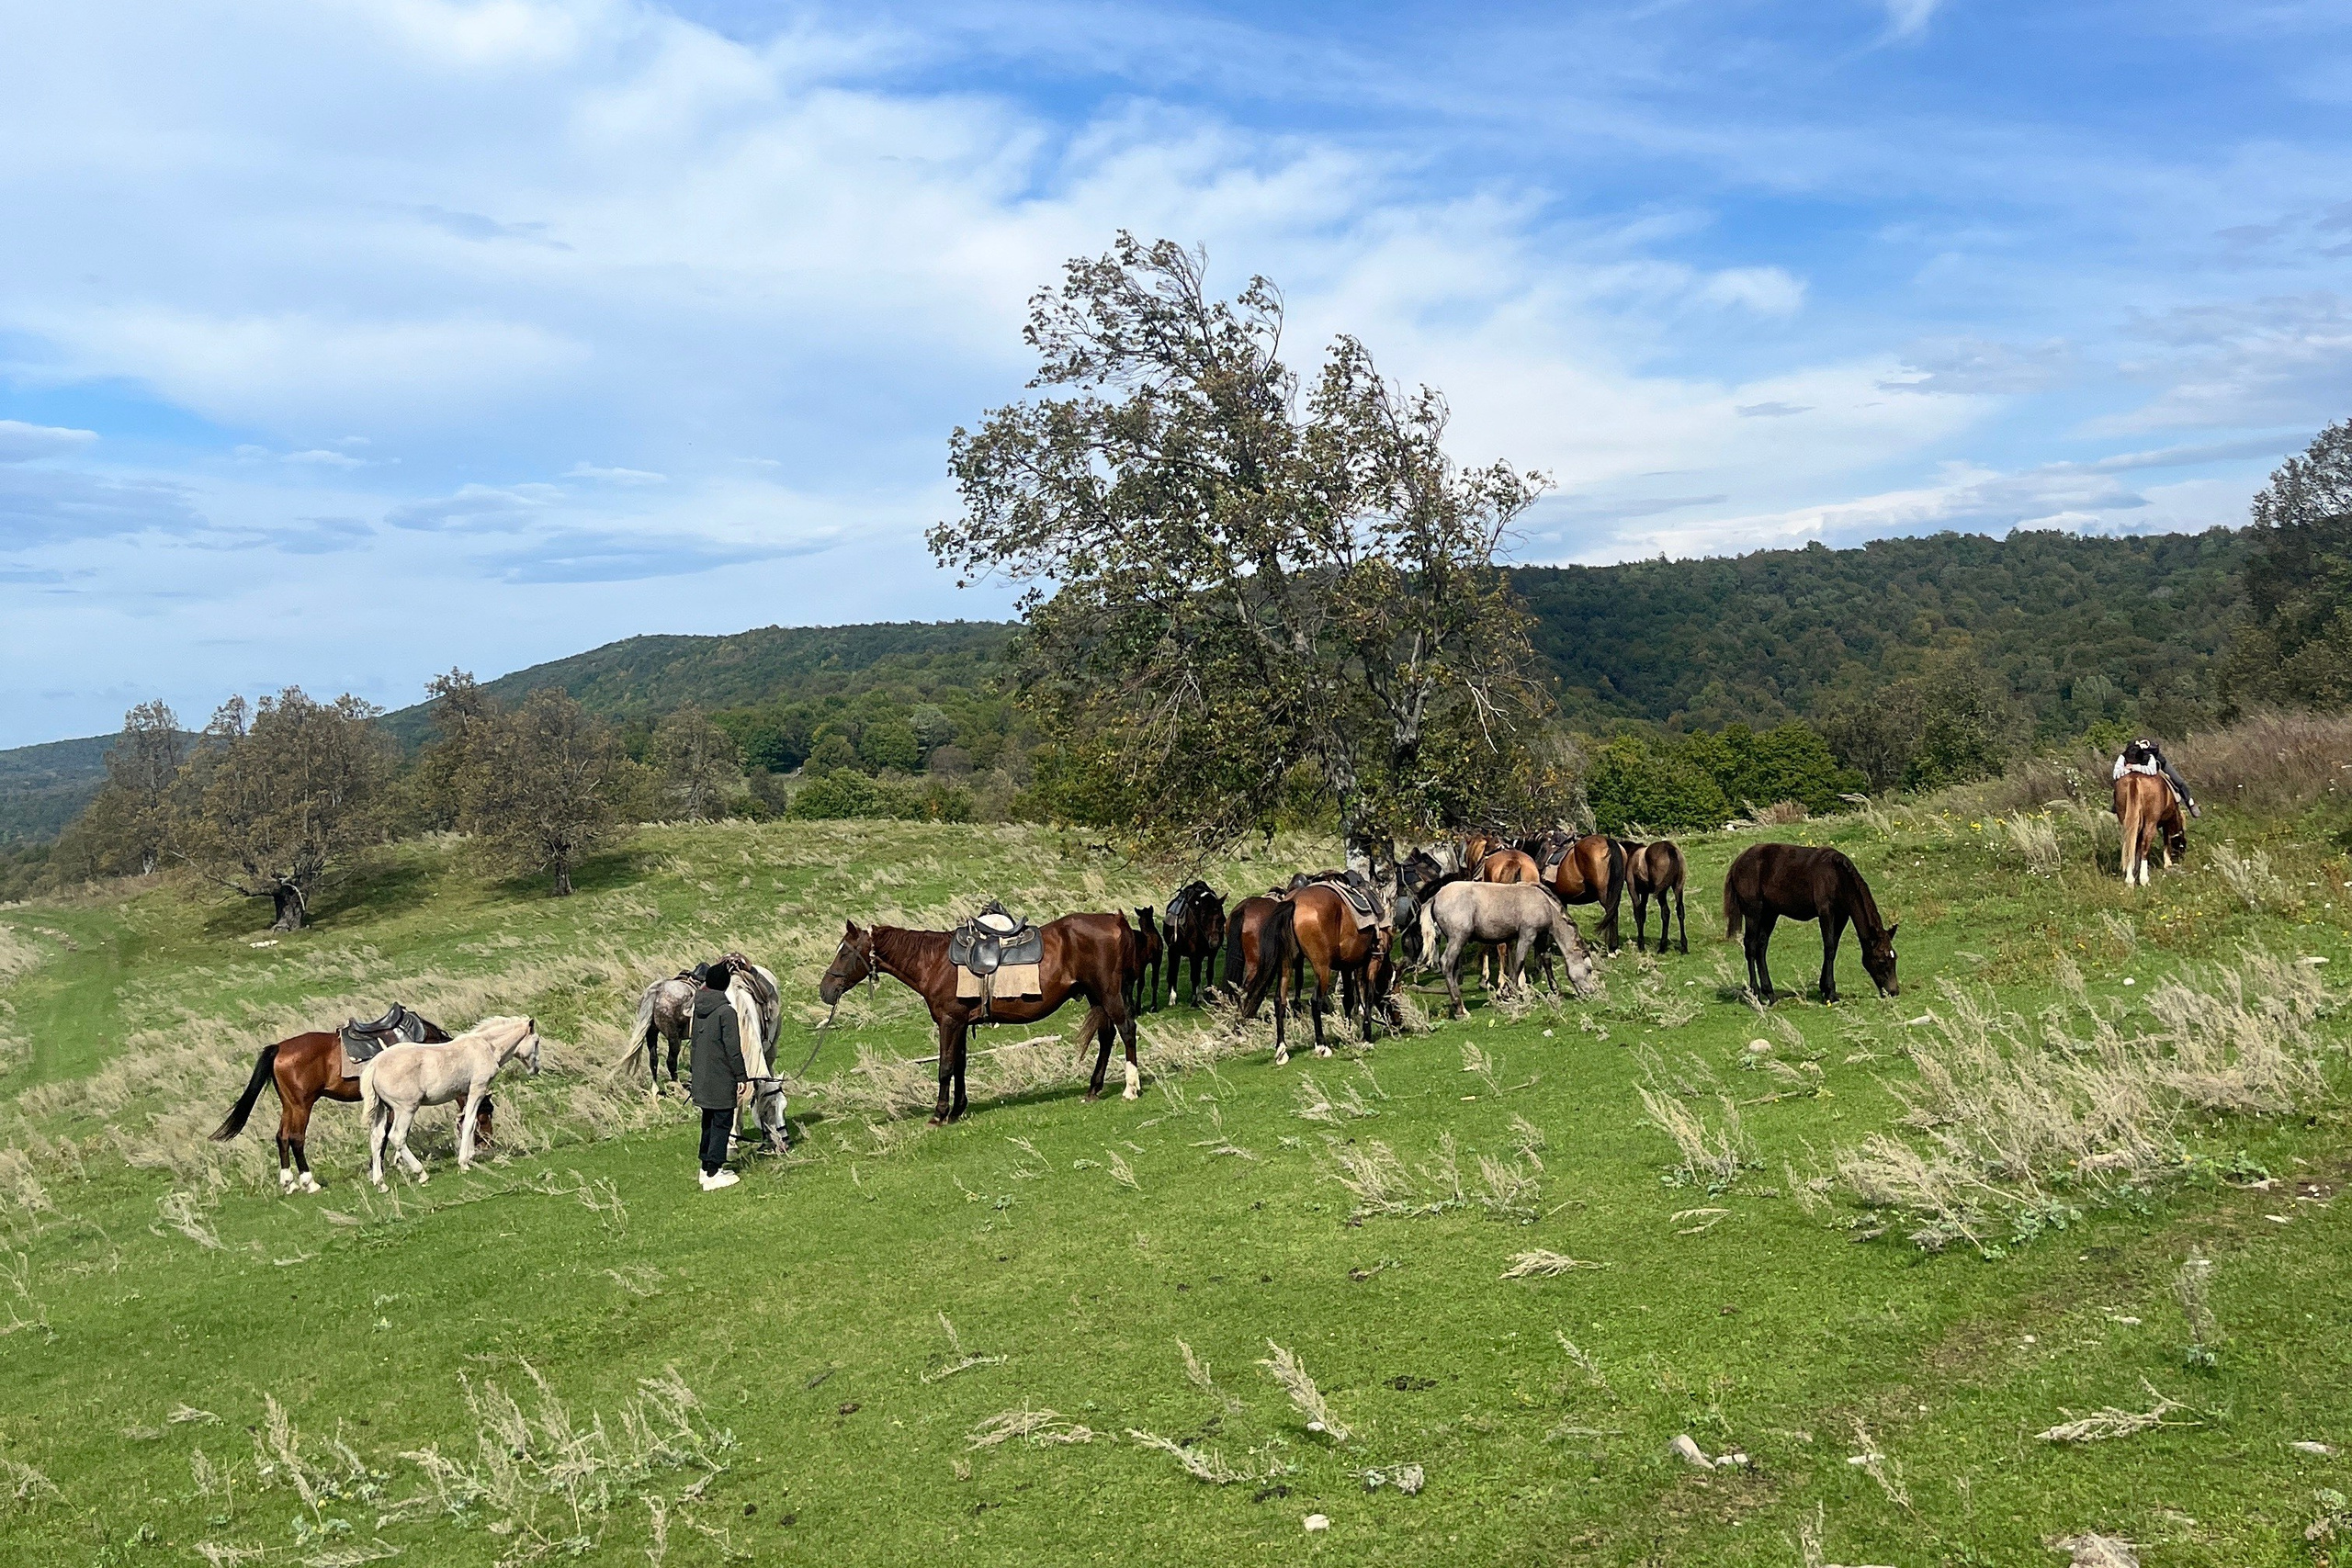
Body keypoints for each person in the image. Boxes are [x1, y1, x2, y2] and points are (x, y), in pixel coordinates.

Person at [689, 958, 750, 1191]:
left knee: (708, 1122)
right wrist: (741, 1077)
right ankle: (714, 1173)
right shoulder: (726, 1012)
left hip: (702, 1077)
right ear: (725, 986)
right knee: (722, 1123)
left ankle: (705, 1168)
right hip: (721, 1077)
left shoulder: (699, 1007)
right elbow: (733, 1050)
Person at [2112, 737, 2200, 818]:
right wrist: (2126, 770)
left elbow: (2152, 770)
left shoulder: (2149, 755)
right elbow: (2116, 774)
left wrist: (2135, 767)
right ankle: (2116, 804)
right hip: (2137, 768)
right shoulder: (2122, 757)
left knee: (2178, 781)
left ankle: (2190, 802)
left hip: (2158, 764)